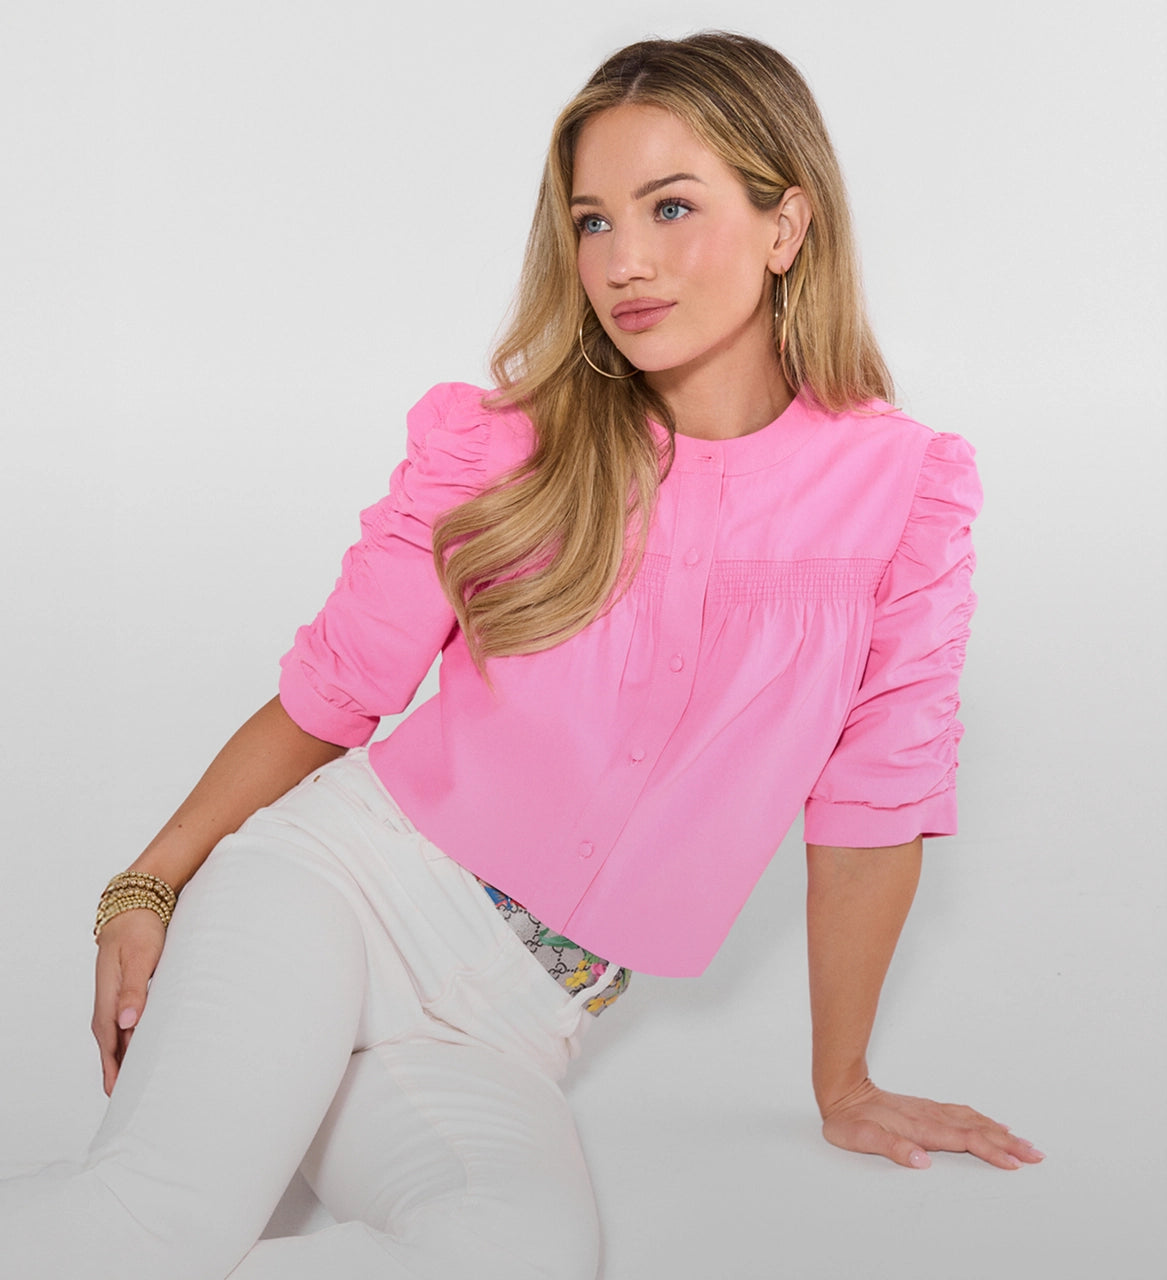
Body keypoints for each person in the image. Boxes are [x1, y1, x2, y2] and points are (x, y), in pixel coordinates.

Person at [0, 29, 1042, 1280]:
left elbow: (869, 809)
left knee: (514, 1256)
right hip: (336, 895)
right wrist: (147, 883)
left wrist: (844, 1081)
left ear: (787, 222)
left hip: (509, 1029)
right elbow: (333, 696)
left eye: (670, 206)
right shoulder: (506, 446)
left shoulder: (902, 493)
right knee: (156, 1222)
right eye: (593, 221)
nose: (625, 259)